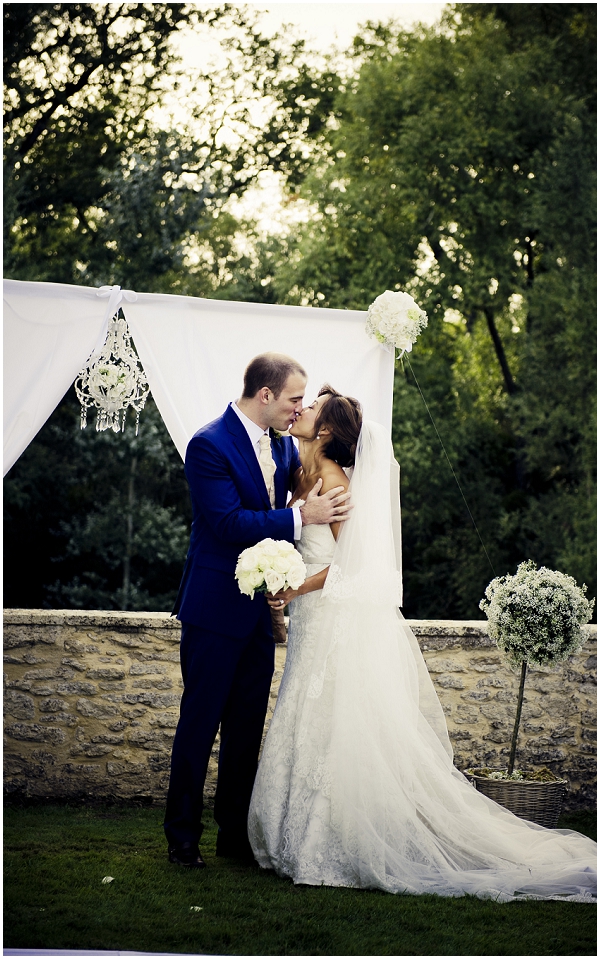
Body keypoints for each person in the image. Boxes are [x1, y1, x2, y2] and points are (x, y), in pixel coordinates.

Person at [248, 388, 597, 902]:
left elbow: (356, 568)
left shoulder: (336, 482)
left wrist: (294, 585)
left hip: (333, 623)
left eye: (312, 408)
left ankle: (334, 840)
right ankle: (294, 835)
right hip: (312, 625)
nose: (301, 411)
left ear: (324, 431)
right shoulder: (299, 473)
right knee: (307, 720)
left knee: (337, 726)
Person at [164, 355, 352, 867]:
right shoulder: (209, 444)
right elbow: (226, 523)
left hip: (258, 614)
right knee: (200, 724)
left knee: (247, 728)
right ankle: (182, 838)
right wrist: (300, 516)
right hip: (212, 607)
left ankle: (234, 838)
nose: (299, 409)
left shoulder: (281, 445)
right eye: (295, 398)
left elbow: (313, 479)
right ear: (265, 395)